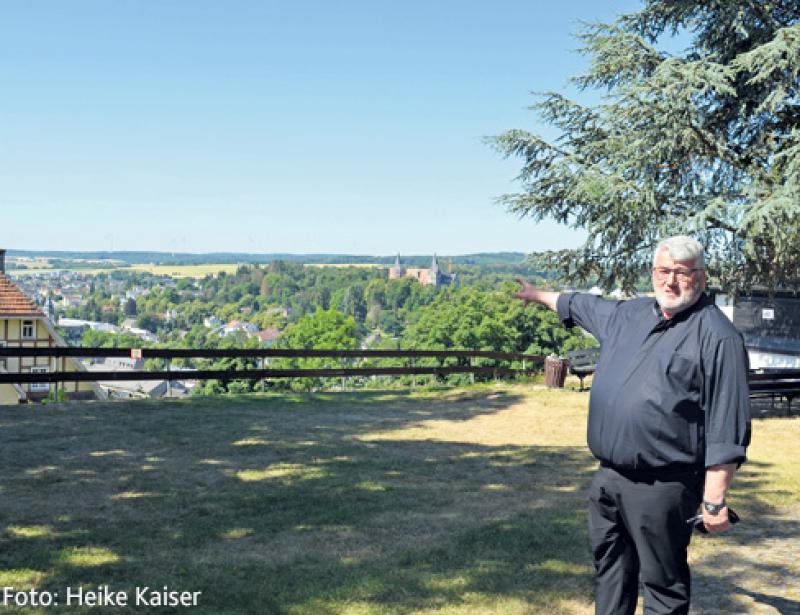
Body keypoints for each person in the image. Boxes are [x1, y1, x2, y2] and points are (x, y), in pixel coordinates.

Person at [514, 235, 751, 615]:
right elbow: (580, 304)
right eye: (661, 271)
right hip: (609, 478)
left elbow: (728, 426)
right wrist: (539, 295)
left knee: (663, 586)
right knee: (609, 572)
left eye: (680, 273)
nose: (669, 281)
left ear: (702, 278)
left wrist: (714, 500)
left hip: (665, 486)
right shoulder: (630, 314)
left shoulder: (718, 337)